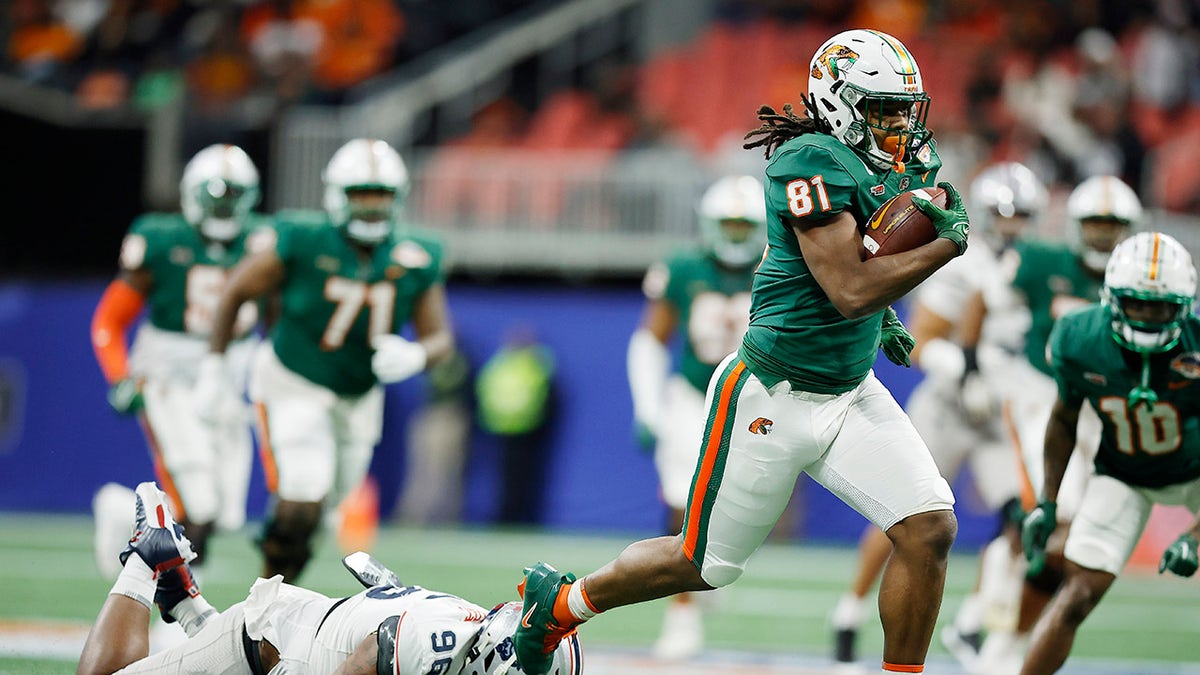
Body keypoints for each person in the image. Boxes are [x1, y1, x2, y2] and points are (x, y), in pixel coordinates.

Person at [513, 28, 971, 675]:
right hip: (772, 393)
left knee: (930, 528)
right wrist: (941, 249)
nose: (899, 124)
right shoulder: (808, 160)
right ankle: (558, 605)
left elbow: (868, 260)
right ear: (839, 103)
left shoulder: (885, 166)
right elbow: (847, 286)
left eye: (904, 108)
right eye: (882, 108)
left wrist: (890, 306)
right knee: (701, 563)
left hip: (848, 389)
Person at [198, 137, 454, 582]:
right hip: (293, 379)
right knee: (302, 497)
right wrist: (215, 364)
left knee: (324, 510)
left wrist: (416, 355)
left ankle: (280, 582)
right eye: (360, 194)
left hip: (358, 395)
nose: (371, 207)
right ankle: (267, 595)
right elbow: (236, 290)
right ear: (337, 195)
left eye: (381, 195)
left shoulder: (417, 254)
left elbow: (440, 339)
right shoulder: (302, 237)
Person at [831, 162, 1045, 669]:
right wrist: (964, 376)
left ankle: (973, 623)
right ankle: (850, 609)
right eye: (1002, 214)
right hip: (950, 406)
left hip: (1000, 411)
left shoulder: (1037, 266)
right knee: (901, 517)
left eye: (1023, 215)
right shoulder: (960, 260)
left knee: (1022, 518)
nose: (1012, 225)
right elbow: (925, 340)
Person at [77, 481, 583, 675]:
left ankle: (185, 601)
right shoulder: (438, 646)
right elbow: (364, 661)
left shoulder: (466, 637)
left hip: (309, 633)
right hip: (275, 645)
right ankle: (148, 558)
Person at [974, 174, 1141, 672]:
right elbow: (982, 300)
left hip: (1102, 408)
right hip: (1042, 395)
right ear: (1074, 226)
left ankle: (995, 617)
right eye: (1094, 224)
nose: (1102, 236)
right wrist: (970, 360)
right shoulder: (1044, 261)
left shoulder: (1137, 280)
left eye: (1112, 226)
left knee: (1074, 533)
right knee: (1056, 521)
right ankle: (997, 634)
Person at [1019, 232, 1200, 675]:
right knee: (1077, 593)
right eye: (1136, 304)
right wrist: (1048, 500)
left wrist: (1196, 537)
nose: (1148, 316)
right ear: (1110, 298)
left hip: (1197, 472)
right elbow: (1063, 418)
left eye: (1159, 307)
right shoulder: (1079, 338)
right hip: (1123, 474)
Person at [90, 143, 268, 583]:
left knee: (225, 514)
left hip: (229, 376)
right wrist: (120, 376)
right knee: (198, 507)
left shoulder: (265, 240)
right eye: (216, 197)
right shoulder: (162, 239)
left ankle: (124, 513)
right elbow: (109, 320)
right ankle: (184, 613)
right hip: (169, 373)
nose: (225, 207)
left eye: (233, 197)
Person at [626, 173, 764, 659]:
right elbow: (650, 339)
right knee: (681, 500)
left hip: (754, 399)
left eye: (745, 224)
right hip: (692, 395)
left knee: (737, 503)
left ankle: (709, 571)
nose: (735, 233)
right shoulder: (683, 267)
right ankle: (681, 611)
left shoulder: (779, 266)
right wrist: (647, 407)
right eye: (727, 223)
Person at [476, 327, 558, 525]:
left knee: (523, 478)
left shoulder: (528, 364)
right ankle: (508, 516)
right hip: (507, 429)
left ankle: (521, 517)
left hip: (525, 430)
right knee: (509, 478)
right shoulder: (525, 364)